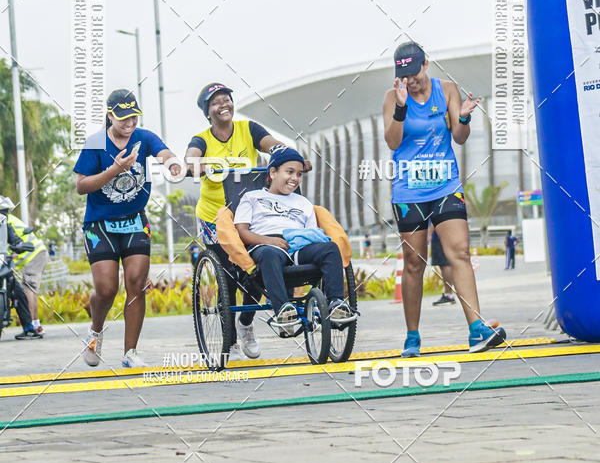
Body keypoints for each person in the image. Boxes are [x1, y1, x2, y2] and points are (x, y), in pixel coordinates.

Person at [383, 42, 506, 356]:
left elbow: (459, 139)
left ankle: (476, 329)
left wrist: (463, 119)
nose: (409, 80)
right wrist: (400, 108)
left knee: (460, 253)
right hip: (409, 190)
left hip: (445, 186)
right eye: (403, 75)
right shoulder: (392, 96)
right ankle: (412, 336)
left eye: (413, 73)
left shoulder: (447, 89)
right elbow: (392, 142)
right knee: (414, 262)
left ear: (426, 64)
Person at [185, 82, 310, 360]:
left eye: (226, 99)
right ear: (208, 112)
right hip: (217, 216)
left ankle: (246, 324)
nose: (223, 105)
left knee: (254, 270)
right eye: (216, 102)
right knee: (229, 275)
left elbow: (273, 146)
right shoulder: (202, 139)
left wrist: (294, 157)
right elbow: (191, 158)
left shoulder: (248, 129)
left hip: (251, 211)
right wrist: (197, 165)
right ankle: (227, 342)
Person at [74, 89, 180, 368]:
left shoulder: (144, 137)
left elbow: (164, 152)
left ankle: (130, 352)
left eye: (133, 117)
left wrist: (173, 164)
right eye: (123, 118)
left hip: (134, 219)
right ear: (110, 116)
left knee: (136, 283)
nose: (129, 123)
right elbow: (81, 186)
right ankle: (95, 332)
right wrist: (114, 170)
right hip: (100, 224)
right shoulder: (95, 143)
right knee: (107, 288)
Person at [234, 147, 355, 334]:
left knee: (330, 248)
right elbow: (241, 231)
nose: (294, 178)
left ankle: (336, 303)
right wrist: (269, 241)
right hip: (264, 244)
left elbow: (310, 233)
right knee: (269, 253)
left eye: (299, 174)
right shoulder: (252, 197)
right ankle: (283, 310)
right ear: (273, 172)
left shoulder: (303, 203)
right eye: (289, 172)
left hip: (297, 245)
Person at [0, 197, 40, 339]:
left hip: (3, 263)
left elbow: (15, 240)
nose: (3, 215)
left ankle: (29, 328)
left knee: (19, 292)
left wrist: (20, 246)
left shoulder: (7, 227)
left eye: (4, 212)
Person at [7, 211, 49, 334]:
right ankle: (36, 325)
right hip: (37, 254)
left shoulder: (4, 221)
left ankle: (31, 327)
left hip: (34, 254)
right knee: (30, 289)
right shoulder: (7, 218)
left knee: (28, 290)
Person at [429, 227, 455, 305]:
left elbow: (436, 215)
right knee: (445, 264)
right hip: (444, 235)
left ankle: (448, 294)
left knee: (444, 264)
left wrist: (429, 233)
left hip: (439, 235)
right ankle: (449, 294)